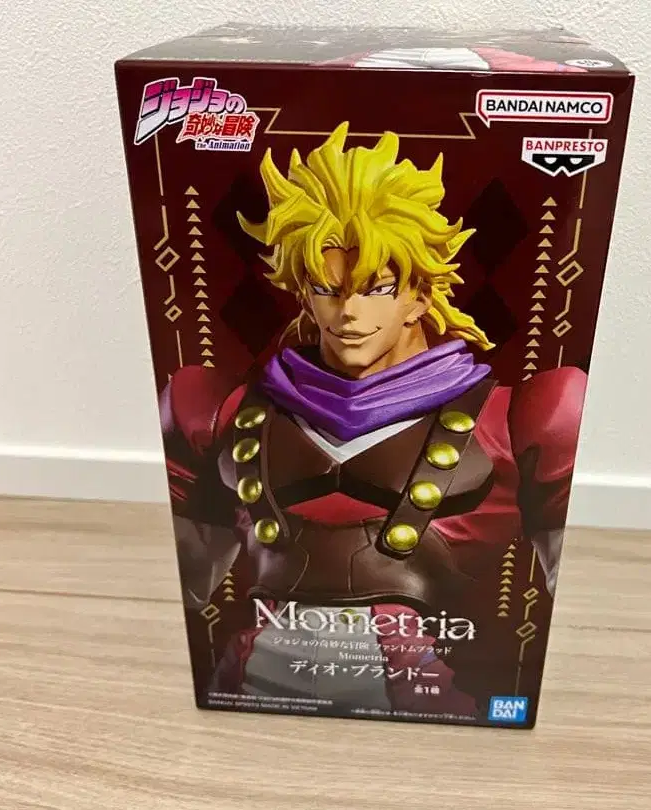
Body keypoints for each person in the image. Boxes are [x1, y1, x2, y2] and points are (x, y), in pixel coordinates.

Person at [161, 122, 586, 714]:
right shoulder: (218, 411)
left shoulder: (521, 419)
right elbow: (189, 583)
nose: (350, 313)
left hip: (437, 703)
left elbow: (568, 596)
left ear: (420, 294)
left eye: (378, 288)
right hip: (250, 685)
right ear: (303, 293)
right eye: (327, 288)